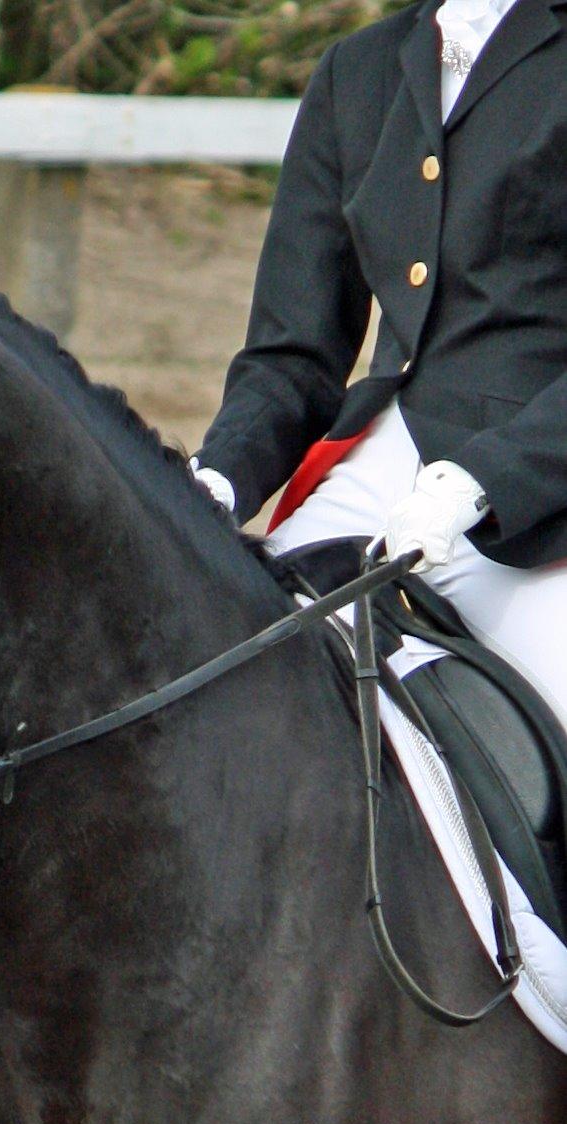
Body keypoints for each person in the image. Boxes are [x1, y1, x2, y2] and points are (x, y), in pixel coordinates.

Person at [189, 0, 567, 730]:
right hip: (378, 472)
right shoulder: (356, 71)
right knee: (216, 669)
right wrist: (217, 478)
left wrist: (483, 481)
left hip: (542, 507)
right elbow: (292, 355)